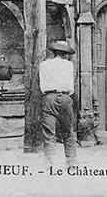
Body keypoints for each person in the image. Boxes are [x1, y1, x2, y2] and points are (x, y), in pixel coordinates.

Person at [39, 40, 78, 168]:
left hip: (49, 98)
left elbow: (42, 86)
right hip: (66, 98)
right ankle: (72, 164)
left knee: (49, 134)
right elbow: (71, 88)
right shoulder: (68, 65)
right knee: (68, 132)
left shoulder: (43, 65)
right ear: (66, 53)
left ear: (54, 52)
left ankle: (50, 166)